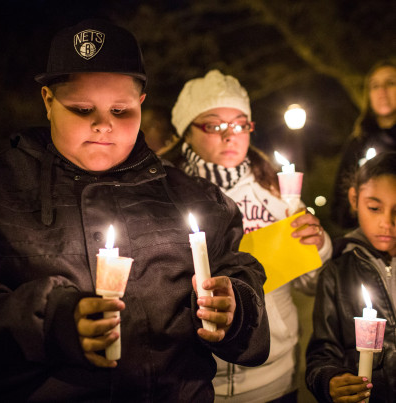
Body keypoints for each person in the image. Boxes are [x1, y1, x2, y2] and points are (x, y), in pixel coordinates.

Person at [0, 19, 271, 402]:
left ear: (141, 103)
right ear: (47, 101)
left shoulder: (194, 198)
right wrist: (51, 322)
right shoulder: (3, 191)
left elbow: (237, 270)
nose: (103, 124)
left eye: (120, 110)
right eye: (82, 108)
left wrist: (235, 307)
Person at [161, 69, 333, 402]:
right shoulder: (160, 194)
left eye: (240, 124)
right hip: (190, 379)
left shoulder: (276, 193)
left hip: (272, 375)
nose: (231, 136)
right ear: (186, 132)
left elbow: (309, 284)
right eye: (214, 125)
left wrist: (319, 246)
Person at [306, 151, 396, 402]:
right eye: (375, 208)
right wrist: (329, 379)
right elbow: (323, 352)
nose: (387, 223)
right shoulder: (337, 271)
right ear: (355, 199)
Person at [331, 59, 396, 232]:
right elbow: (339, 204)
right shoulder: (358, 143)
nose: (382, 91)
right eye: (375, 86)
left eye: (390, 83)